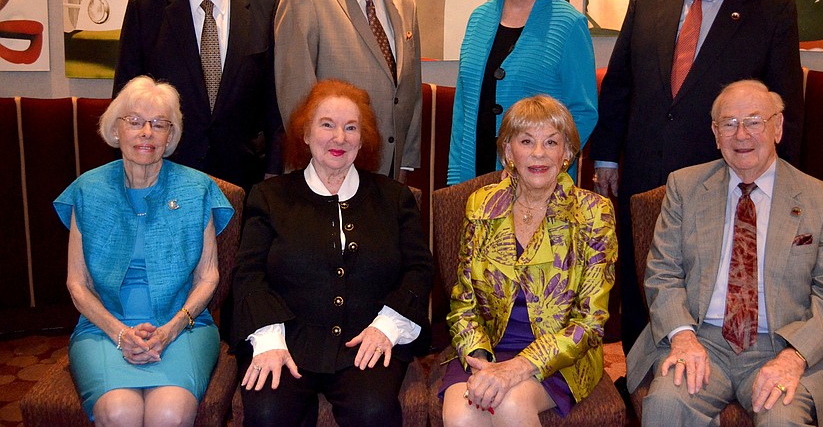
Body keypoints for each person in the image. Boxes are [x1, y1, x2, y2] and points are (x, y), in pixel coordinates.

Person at [591, 0, 804, 352]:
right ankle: (638, 380)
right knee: (641, 280)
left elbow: (785, 108)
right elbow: (621, 84)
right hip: (644, 172)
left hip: (722, 179)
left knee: (708, 283)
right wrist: (607, 157)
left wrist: (779, 182)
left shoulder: (772, 10)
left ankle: (710, 377)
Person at [627, 80, 823, 426]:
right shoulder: (684, 188)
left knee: (783, 420)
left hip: (783, 343)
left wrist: (795, 358)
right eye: (729, 124)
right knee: (667, 404)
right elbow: (662, 272)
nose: (741, 135)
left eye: (754, 121)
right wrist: (683, 337)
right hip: (702, 338)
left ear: (777, 127)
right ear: (716, 134)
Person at [232, 79, 434, 426]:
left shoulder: (394, 198)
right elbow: (249, 274)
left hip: (368, 339)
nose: (339, 138)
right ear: (306, 133)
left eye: (351, 127)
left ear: (363, 137)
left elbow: (419, 269)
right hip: (288, 338)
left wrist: (387, 326)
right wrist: (268, 339)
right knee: (267, 411)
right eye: (327, 125)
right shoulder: (269, 196)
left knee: (373, 411)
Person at [55, 75, 234, 424]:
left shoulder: (197, 188)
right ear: (116, 129)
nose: (146, 132)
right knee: (119, 411)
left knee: (169, 412)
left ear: (171, 135)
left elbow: (208, 277)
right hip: (103, 327)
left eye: (159, 124)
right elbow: (77, 284)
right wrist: (119, 333)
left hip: (184, 326)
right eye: (135, 121)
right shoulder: (87, 190)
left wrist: (170, 330)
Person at [441, 95, 617, 425]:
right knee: (460, 413)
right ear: (508, 152)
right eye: (526, 141)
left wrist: (518, 367)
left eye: (551, 142)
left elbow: (590, 324)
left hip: (559, 355)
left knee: (511, 403)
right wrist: (480, 360)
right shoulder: (481, 205)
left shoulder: (594, 213)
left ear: (567, 153)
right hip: (488, 347)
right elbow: (463, 303)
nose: (538, 153)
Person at [113, 0, 283, 193]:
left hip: (245, 176)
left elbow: (274, 98)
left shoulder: (266, 0)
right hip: (167, 172)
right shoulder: (146, 3)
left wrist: (275, 171)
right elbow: (126, 96)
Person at [447, 0, 598, 186]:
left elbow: (583, 112)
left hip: (539, 183)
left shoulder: (569, 24)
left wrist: (545, 167)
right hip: (474, 173)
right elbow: (463, 108)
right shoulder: (478, 18)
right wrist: (457, 176)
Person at [275, 0, 422, 180]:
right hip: (327, 171)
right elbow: (296, 101)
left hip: (388, 174)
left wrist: (405, 160)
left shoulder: (405, 4)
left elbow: (410, 91)